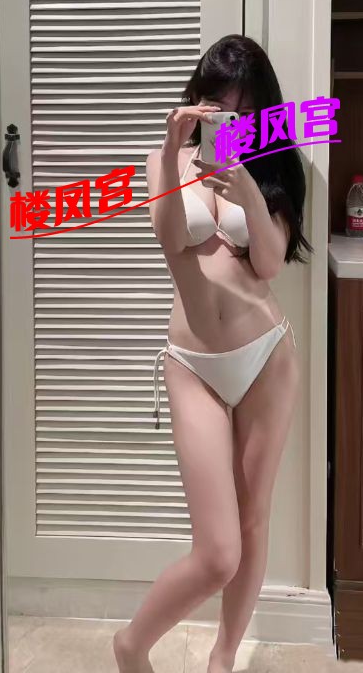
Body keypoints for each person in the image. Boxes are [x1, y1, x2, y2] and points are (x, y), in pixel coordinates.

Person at [113, 34, 311, 673]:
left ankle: (221, 660)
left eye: (244, 111)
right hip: (193, 365)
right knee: (218, 551)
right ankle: (131, 645)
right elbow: (170, 238)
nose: (230, 120)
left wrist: (248, 187)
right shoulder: (162, 161)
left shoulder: (276, 166)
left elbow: (270, 263)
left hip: (267, 357)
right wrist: (174, 150)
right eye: (217, 105)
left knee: (253, 524)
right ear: (196, 101)